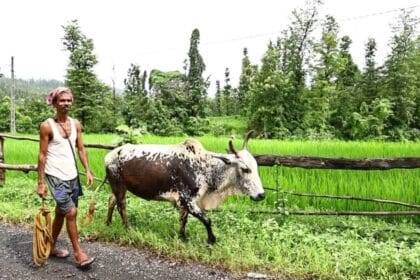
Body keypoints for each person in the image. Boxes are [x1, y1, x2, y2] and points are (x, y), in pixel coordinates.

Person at [37, 87, 95, 268]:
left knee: (62, 212)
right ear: (54, 103)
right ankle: (79, 254)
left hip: (72, 175)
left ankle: (50, 246)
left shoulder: (76, 124)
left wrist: (88, 169)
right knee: (71, 212)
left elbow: (81, 149)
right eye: (62, 101)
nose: (66, 103)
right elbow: (42, 155)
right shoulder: (47, 126)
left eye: (69, 100)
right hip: (55, 176)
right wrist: (40, 182)